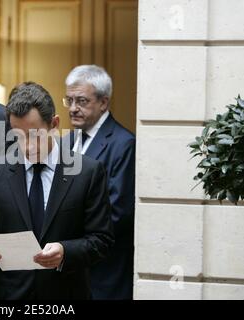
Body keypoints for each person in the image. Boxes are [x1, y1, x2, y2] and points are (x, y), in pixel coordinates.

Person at [0, 82, 114, 300]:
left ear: (54, 124)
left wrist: (65, 251)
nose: (27, 146)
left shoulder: (88, 172)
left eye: (35, 135)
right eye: (18, 136)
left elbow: (102, 241)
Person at [65, 65, 136, 300]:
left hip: (104, 272)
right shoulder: (65, 142)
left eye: (82, 101)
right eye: (69, 100)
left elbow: (118, 212)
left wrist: (67, 240)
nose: (73, 109)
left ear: (104, 103)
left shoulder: (123, 144)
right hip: (67, 270)